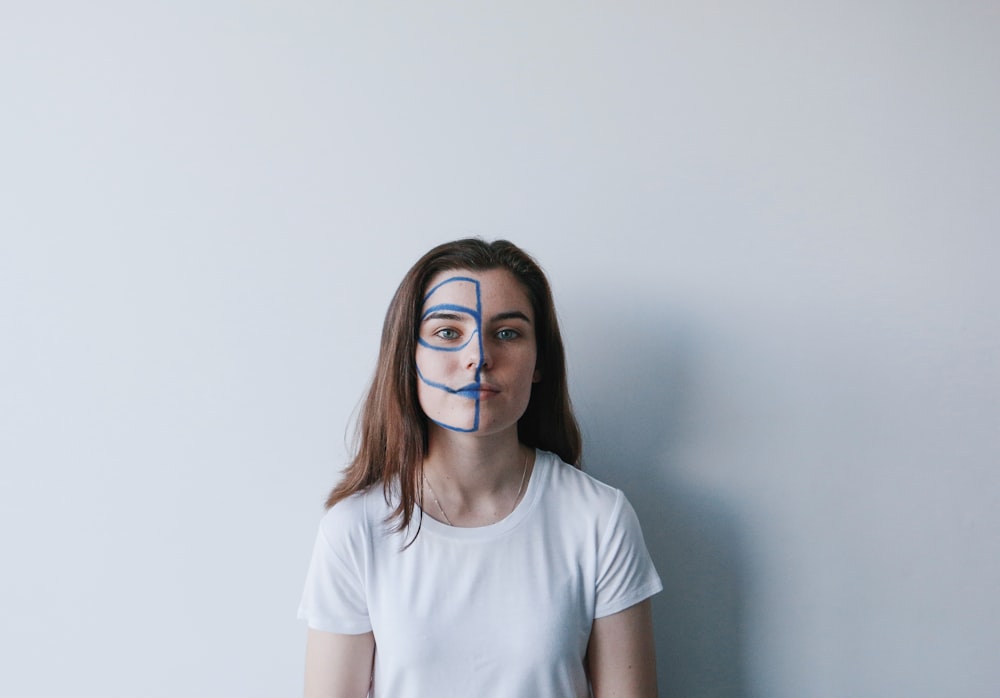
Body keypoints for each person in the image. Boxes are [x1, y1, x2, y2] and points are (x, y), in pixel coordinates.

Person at [298, 238, 662, 697]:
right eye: (448, 333)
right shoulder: (355, 529)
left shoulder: (599, 519)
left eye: (507, 333)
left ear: (538, 363)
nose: (479, 357)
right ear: (408, 357)